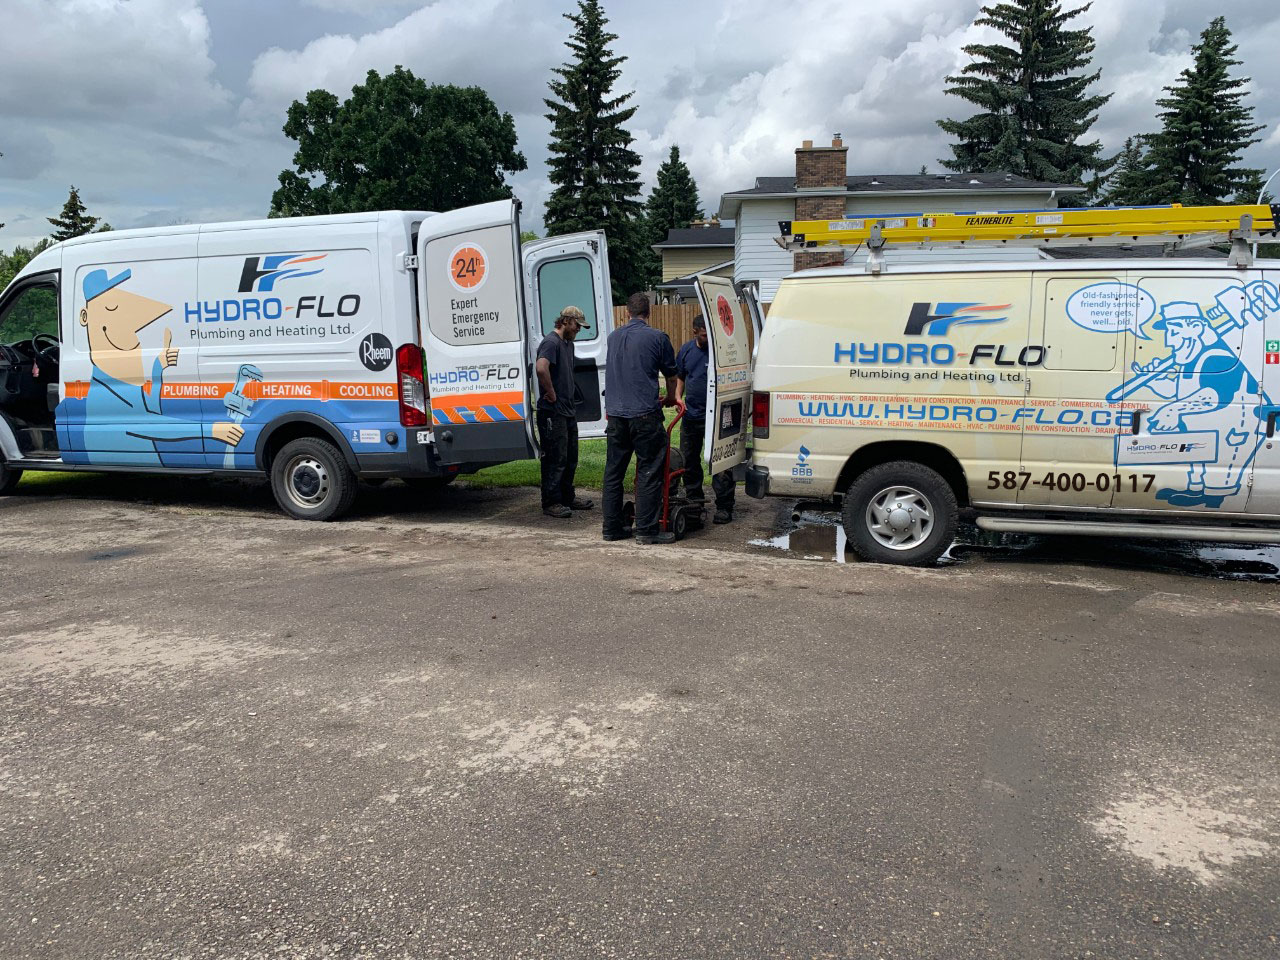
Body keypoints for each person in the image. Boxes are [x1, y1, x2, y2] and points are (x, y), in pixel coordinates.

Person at [602, 292, 678, 544]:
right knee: (649, 469)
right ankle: (646, 530)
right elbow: (671, 375)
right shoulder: (657, 337)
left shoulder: (613, 338)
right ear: (649, 312)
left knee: (614, 471)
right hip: (644, 414)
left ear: (627, 312)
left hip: (616, 415)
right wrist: (670, 397)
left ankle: (611, 528)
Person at [675, 313, 736, 524]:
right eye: (703, 335)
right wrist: (678, 398)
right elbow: (680, 377)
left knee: (720, 462)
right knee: (689, 459)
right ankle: (694, 502)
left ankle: (724, 506)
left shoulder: (721, 352)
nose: (707, 339)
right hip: (691, 416)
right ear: (695, 332)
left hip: (717, 416)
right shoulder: (686, 350)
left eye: (709, 335)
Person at [535, 305, 593, 518]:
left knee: (570, 457)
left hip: (567, 411)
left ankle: (567, 497)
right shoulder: (551, 342)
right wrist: (550, 392)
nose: (579, 329)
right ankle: (551, 501)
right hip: (552, 412)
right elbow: (541, 367)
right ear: (566, 321)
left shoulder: (568, 344)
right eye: (577, 325)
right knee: (555, 458)